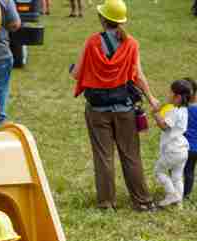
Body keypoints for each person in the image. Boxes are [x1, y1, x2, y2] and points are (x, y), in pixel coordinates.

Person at [70, 0, 160, 211]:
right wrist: (151, 97)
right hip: (125, 109)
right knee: (131, 156)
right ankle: (143, 202)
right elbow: (138, 75)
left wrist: (73, 68)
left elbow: (76, 74)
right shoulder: (131, 44)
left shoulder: (92, 42)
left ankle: (106, 204)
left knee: (104, 157)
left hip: (97, 110)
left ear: (102, 19)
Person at [152, 80, 192, 208]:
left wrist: (156, 113)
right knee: (177, 176)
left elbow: (164, 126)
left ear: (178, 97)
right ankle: (179, 202)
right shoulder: (185, 110)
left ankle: (171, 194)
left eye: (170, 92)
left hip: (173, 150)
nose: (168, 95)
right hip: (183, 150)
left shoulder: (175, 111)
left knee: (159, 171)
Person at [183, 78, 197, 200]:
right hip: (195, 148)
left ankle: (176, 191)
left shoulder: (181, 110)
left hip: (182, 147)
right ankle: (186, 194)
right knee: (190, 171)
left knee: (176, 170)